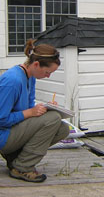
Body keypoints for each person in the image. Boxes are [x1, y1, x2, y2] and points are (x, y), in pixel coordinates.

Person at [0, 39, 69, 183]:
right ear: (36, 64)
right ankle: (22, 167)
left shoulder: (30, 78)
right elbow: (1, 119)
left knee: (62, 129)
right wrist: (30, 113)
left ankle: (17, 157)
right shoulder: (12, 81)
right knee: (53, 119)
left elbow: (28, 108)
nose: (48, 76)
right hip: (3, 135)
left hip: (13, 131)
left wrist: (45, 107)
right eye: (47, 72)